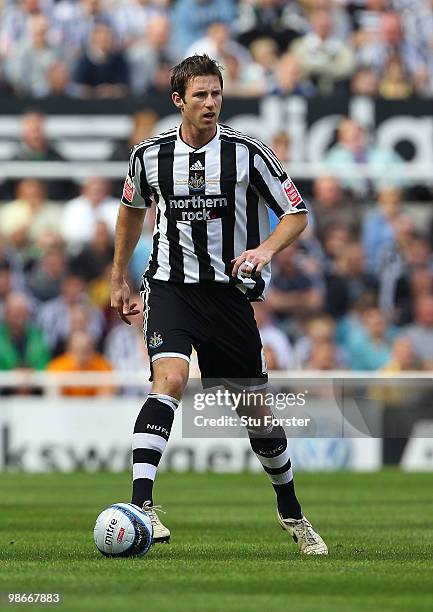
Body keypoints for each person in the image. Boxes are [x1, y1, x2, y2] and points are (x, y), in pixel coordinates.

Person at [110, 54, 327, 555]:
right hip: (169, 287)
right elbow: (131, 211)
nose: (211, 103)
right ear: (178, 100)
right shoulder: (149, 155)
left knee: (256, 412)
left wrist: (264, 250)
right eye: (201, 95)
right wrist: (119, 275)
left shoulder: (247, 152)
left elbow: (296, 212)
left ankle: (291, 512)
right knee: (169, 380)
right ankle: (141, 504)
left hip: (228, 295)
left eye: (216, 93)